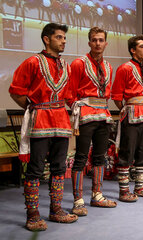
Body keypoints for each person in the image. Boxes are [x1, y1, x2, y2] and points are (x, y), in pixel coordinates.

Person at [8, 23, 78, 231]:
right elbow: (16, 91)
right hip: (40, 121)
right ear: (46, 39)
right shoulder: (32, 62)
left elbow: (70, 95)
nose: (63, 41)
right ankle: (32, 214)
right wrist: (33, 108)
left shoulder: (67, 66)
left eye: (64, 38)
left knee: (59, 167)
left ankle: (56, 210)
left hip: (61, 121)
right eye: (59, 37)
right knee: (36, 168)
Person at [69, 27, 117, 216]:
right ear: (89, 43)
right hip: (85, 114)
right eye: (94, 40)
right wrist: (77, 111)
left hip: (103, 115)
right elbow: (70, 92)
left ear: (106, 43)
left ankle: (97, 195)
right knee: (81, 157)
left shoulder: (109, 67)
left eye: (101, 40)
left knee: (100, 156)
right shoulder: (78, 63)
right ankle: (78, 199)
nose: (98, 43)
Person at [111, 35, 143, 202]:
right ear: (132, 50)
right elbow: (117, 96)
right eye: (142, 46)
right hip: (131, 114)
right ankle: (124, 191)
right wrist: (126, 109)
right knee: (127, 151)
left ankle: (140, 187)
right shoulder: (124, 68)